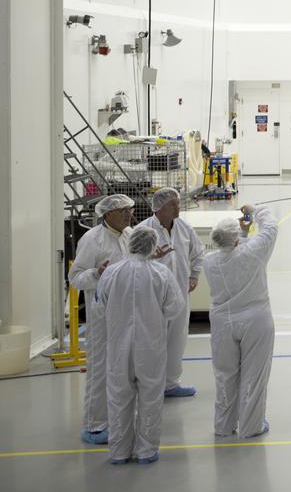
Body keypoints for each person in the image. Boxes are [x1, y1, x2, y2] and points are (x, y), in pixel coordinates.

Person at [98, 226, 183, 464]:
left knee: (119, 396)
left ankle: (119, 451)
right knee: (151, 396)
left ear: (131, 243)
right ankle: (146, 451)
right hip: (150, 346)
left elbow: (99, 305)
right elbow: (174, 308)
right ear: (152, 246)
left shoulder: (112, 272)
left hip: (119, 346)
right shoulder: (161, 273)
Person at [204, 203, 279, 439]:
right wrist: (255, 210)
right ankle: (251, 426)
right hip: (255, 320)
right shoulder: (253, 253)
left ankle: (223, 426)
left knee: (225, 375)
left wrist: (243, 234)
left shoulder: (209, 261)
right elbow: (270, 228)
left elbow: (232, 255)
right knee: (254, 375)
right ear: (236, 238)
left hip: (223, 323)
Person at [69, 193, 135, 444]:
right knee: (100, 370)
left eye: (130, 209)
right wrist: (97, 273)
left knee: (125, 369)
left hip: (128, 313)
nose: (129, 214)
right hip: (102, 316)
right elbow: (75, 279)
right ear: (108, 214)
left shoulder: (129, 235)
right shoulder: (92, 239)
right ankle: (95, 426)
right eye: (123, 210)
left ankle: (119, 419)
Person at [139, 188, 205, 398]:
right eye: (173, 204)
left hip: (180, 293)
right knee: (152, 340)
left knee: (177, 339)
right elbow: (132, 261)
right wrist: (150, 258)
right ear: (159, 208)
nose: (178, 207)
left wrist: (194, 275)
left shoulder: (184, 228)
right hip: (152, 296)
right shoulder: (143, 231)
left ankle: (170, 383)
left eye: (178, 203)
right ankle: (149, 384)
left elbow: (198, 252)